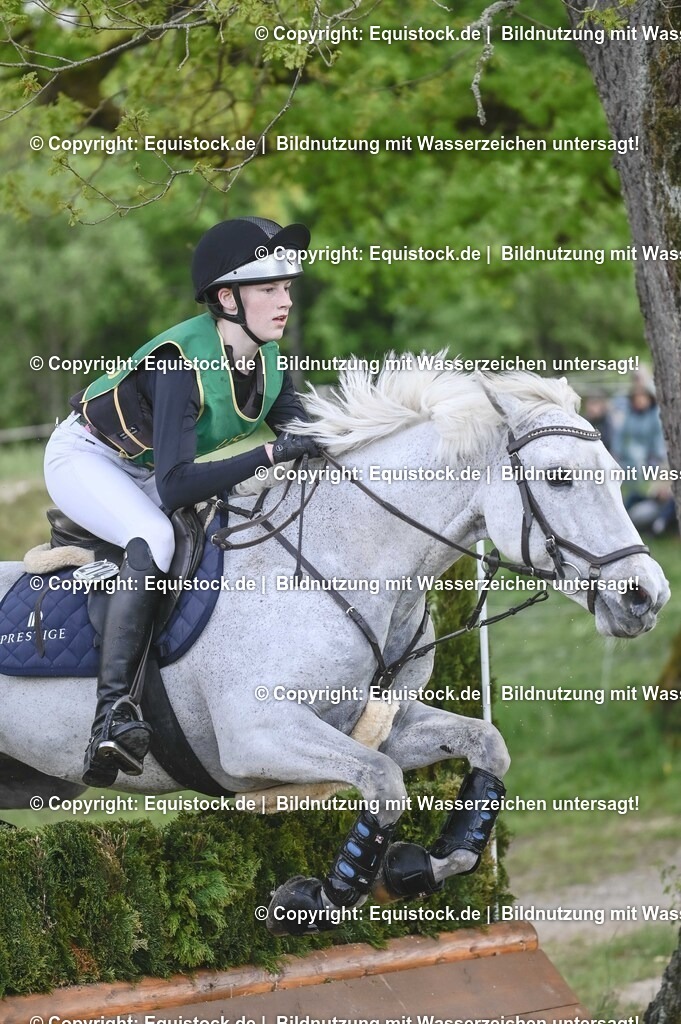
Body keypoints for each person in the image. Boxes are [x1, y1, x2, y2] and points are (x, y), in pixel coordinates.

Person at [44, 217, 320, 787]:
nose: (285, 300)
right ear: (227, 298)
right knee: (157, 537)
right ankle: (112, 714)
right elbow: (174, 486)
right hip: (88, 459)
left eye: (286, 287)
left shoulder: (268, 357)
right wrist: (267, 458)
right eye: (269, 288)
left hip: (144, 468)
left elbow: (304, 433)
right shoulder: (178, 362)